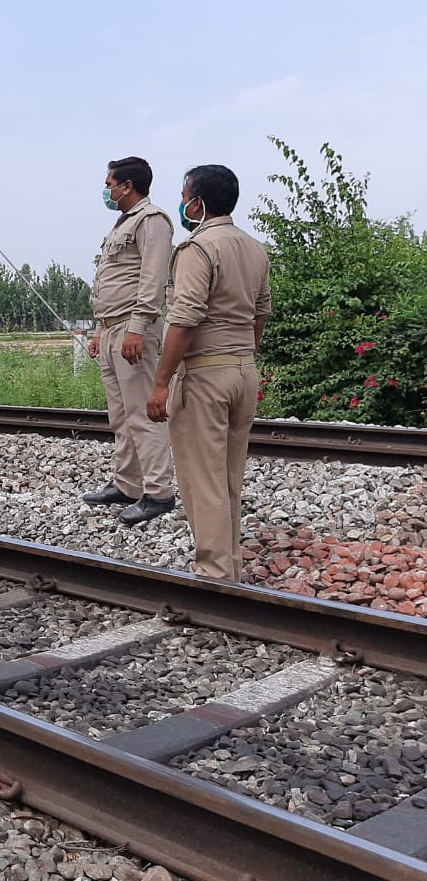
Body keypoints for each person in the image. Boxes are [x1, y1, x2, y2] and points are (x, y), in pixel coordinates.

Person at [146, 165, 271, 582]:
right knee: (230, 474)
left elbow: (183, 321)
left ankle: (214, 575)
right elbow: (260, 313)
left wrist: (162, 382)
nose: (183, 203)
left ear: (197, 203)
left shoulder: (198, 249)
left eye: (185, 195)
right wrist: (242, 356)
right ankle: (230, 566)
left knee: (203, 479)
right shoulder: (254, 248)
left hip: (204, 375)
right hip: (243, 371)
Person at [83, 156, 177, 525]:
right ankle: (127, 483)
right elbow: (113, 283)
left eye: (110, 183)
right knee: (121, 415)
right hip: (113, 328)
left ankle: (159, 492)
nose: (107, 190)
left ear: (127, 185)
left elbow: (152, 278)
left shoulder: (152, 221)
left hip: (133, 329)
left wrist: (137, 327)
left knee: (142, 413)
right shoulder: (123, 223)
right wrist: (101, 330)